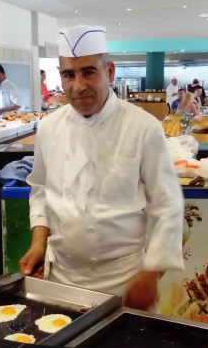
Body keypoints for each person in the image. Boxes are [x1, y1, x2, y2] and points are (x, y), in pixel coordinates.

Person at [20, 25, 184, 310]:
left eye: (88, 72)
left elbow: (167, 203)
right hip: (61, 277)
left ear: (109, 71)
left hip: (125, 280)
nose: (78, 86)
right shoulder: (48, 127)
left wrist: (152, 272)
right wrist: (38, 242)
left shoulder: (143, 127)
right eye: (69, 75)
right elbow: (41, 189)